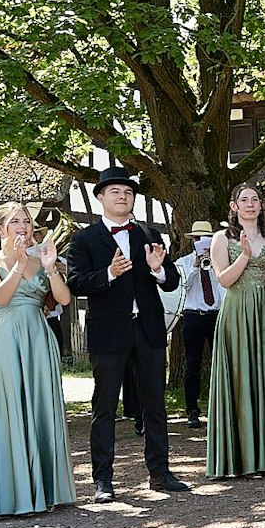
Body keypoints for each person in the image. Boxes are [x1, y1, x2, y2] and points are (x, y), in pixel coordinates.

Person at [64, 165, 189, 503]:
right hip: (109, 331)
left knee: (155, 404)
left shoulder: (149, 234)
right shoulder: (84, 239)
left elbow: (174, 280)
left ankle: (160, 474)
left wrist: (158, 269)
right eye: (116, 192)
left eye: (128, 192)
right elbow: (75, 283)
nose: (123, 196)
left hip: (147, 328)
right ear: (101, 197)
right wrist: (107, 273)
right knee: (104, 407)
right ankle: (103, 480)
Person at [0, 202, 76, 517]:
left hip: (39, 338)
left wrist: (48, 267)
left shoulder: (40, 257)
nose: (23, 226)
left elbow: (64, 298)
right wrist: (17, 264)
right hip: (8, 339)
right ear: (1, 229)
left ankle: (47, 490)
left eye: (27, 221)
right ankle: (13, 494)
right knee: (11, 409)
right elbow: (0, 297)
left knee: (42, 406)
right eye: (15, 221)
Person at [205, 185, 265, 478]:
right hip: (236, 313)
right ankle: (243, 458)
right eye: (244, 200)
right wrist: (245, 256)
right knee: (240, 377)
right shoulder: (221, 238)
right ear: (234, 206)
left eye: (255, 200)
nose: (250, 204)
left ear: (261, 206)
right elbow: (224, 280)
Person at [174, 221, 219, 428]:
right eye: (198, 238)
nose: (202, 242)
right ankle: (192, 410)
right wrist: (195, 266)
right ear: (193, 240)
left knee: (221, 363)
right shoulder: (183, 262)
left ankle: (220, 407)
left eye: (206, 239)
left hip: (216, 314)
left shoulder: (221, 260)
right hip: (193, 315)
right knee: (192, 363)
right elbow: (181, 287)